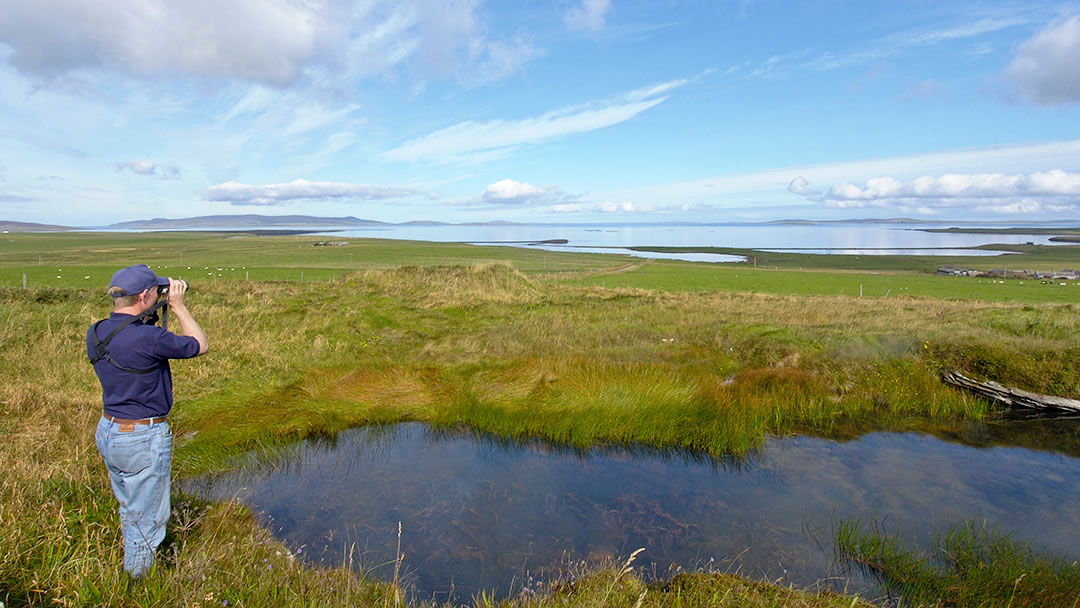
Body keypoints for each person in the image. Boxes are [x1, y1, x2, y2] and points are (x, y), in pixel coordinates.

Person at [87, 264, 208, 577]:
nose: (160, 295)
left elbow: (129, 343)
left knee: (130, 505)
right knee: (148, 519)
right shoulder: (149, 338)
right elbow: (198, 344)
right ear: (144, 296)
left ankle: (133, 564)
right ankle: (137, 584)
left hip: (109, 430)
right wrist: (178, 307)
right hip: (142, 436)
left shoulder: (97, 331)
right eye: (156, 292)